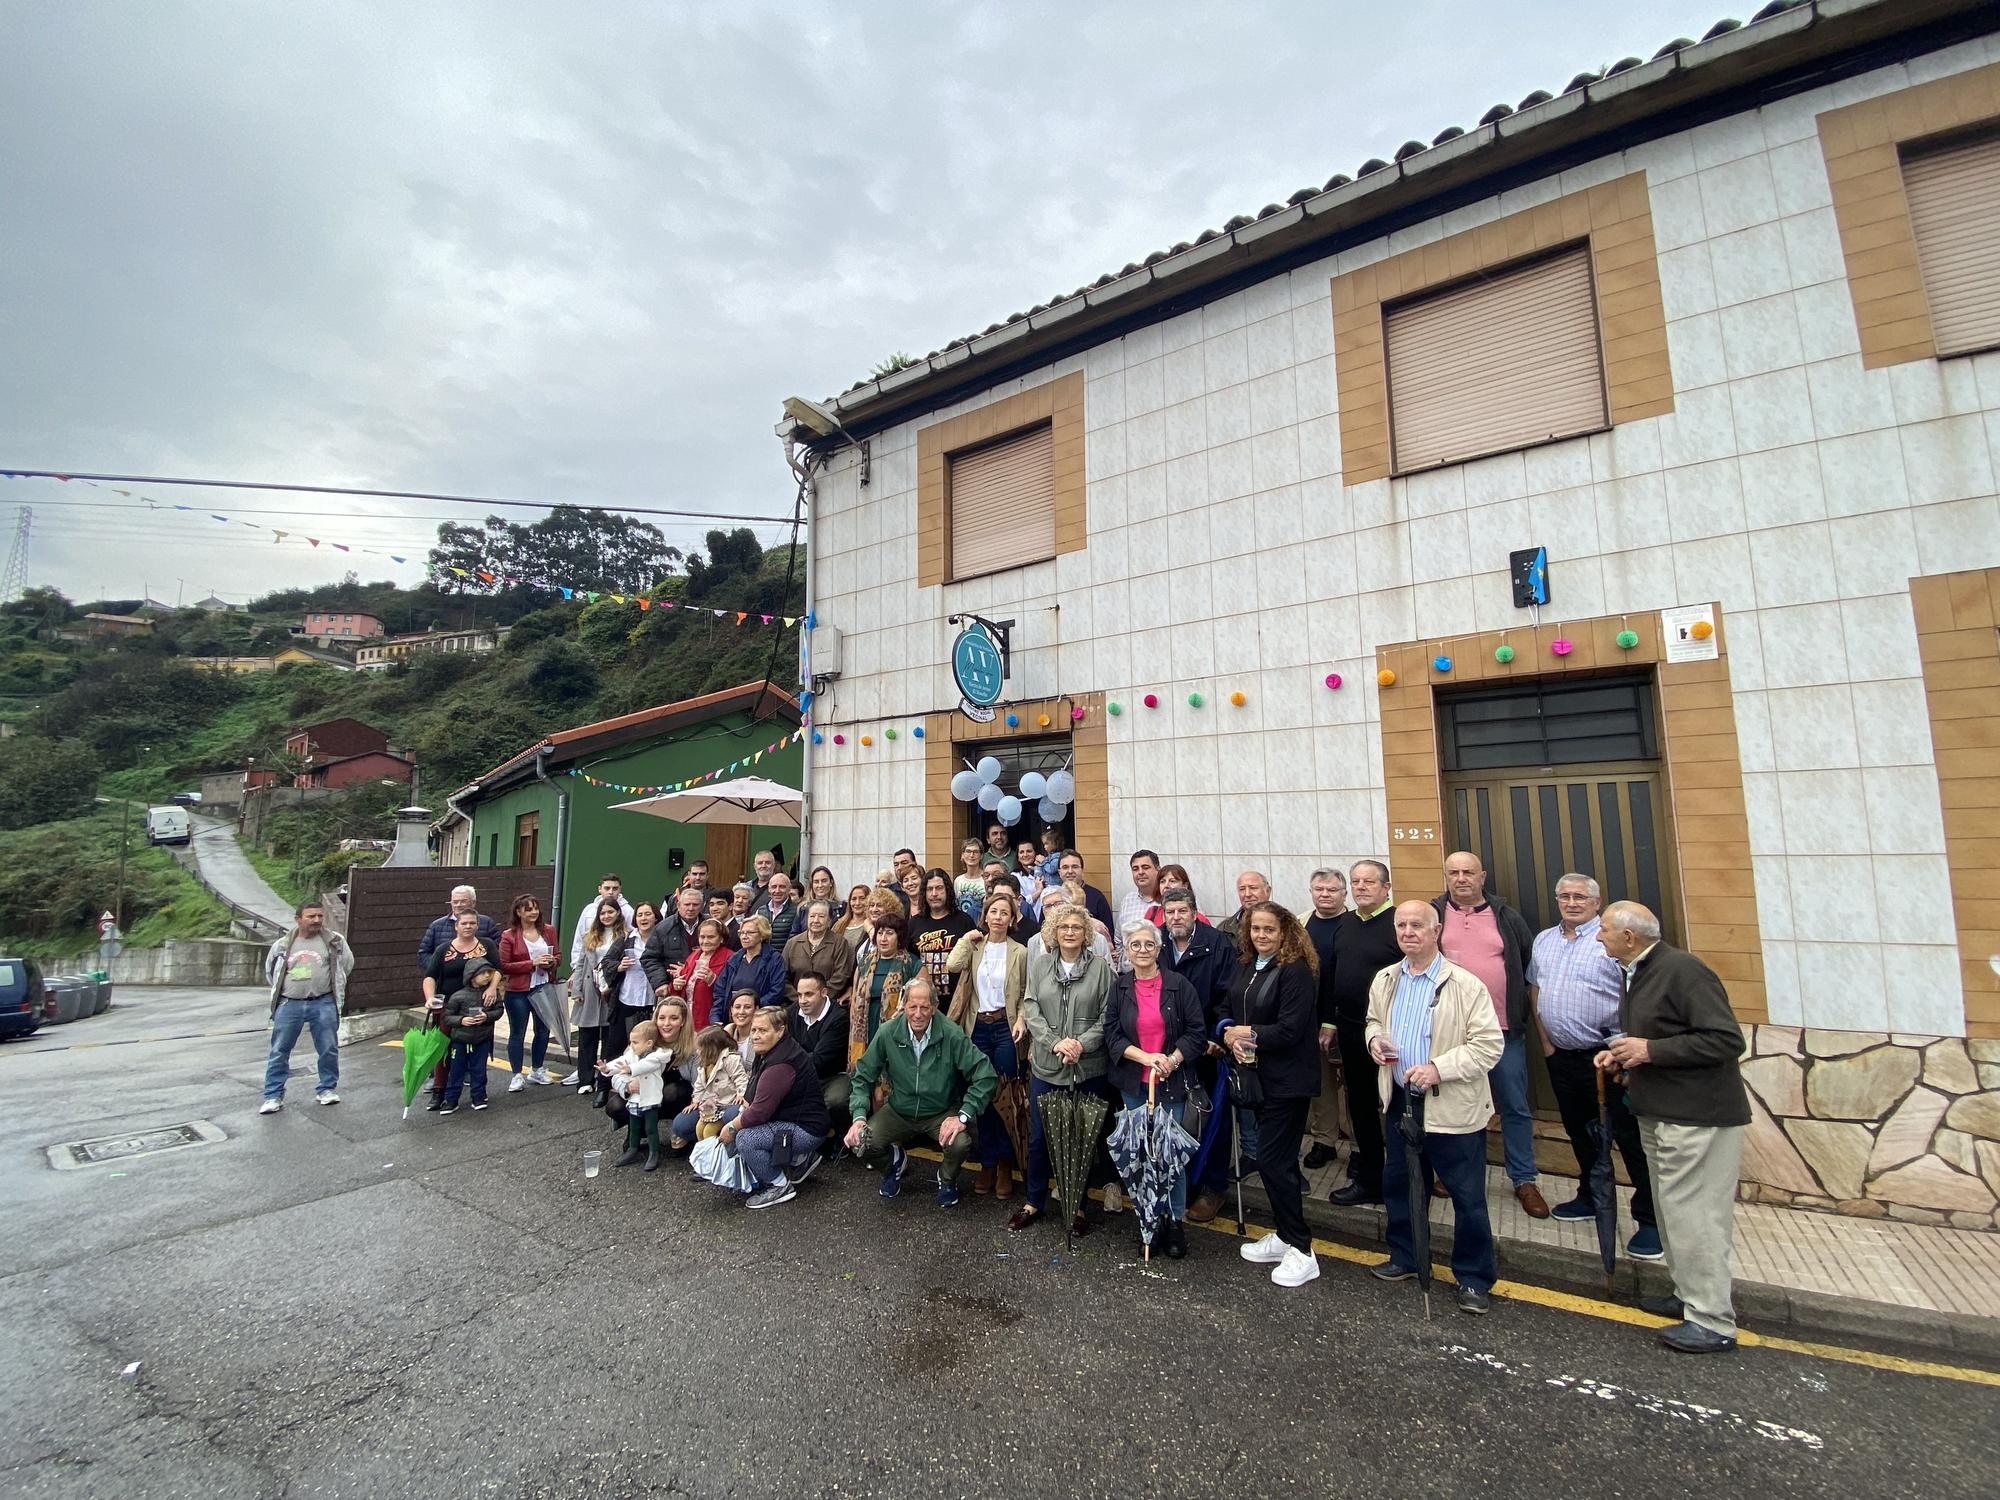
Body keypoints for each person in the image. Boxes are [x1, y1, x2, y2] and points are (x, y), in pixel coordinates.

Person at [1596, 902, 1751, 1354]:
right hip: (1661, 1110)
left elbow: (1724, 1039)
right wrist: (1623, 1053)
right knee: (1672, 1213)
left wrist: (1649, 1051)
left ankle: (1712, 1321)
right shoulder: (1634, 969)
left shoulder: (1683, 970)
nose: (1598, 936)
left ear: (1629, 936)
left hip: (1696, 1116)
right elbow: (1656, 1036)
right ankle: (1690, 1297)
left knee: (1696, 1217)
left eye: (1604, 929)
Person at [1366, 900, 1504, 1314]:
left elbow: (1488, 1046)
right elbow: (1373, 1022)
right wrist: (1374, 1042)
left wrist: (1438, 1068)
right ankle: (1406, 1257)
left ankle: (1474, 1278)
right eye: (1401, 925)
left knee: (1466, 1196)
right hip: (1400, 1103)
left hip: (1450, 1107)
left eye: (1417, 926)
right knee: (1402, 1186)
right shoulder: (1386, 979)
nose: (1408, 932)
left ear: (1436, 930)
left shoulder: (1465, 984)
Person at [1532, 875, 1660, 1259]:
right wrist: (1546, 1043)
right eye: (1564, 896)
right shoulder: (1544, 940)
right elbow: (1534, 988)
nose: (1571, 903)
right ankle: (1590, 1195)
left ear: (1596, 901)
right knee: (1579, 1131)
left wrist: (1626, 1051)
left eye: (1580, 897)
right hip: (1563, 1057)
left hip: (1608, 1058)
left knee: (1629, 1138)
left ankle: (1650, 1220)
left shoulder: (1612, 940)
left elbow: (1636, 994)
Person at [1433, 851, 1547, 1218]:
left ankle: (1524, 1179)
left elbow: (1529, 966)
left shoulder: (1507, 917)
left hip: (1502, 1030)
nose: (1461, 878)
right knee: (1454, 1105)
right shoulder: (1434, 915)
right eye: (1454, 872)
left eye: (1469, 872)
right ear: (1446, 876)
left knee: (1513, 1105)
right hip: (1451, 1033)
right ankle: (1455, 1175)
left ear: (1483, 876)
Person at [1222, 901, 1322, 1288]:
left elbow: (1292, 1029)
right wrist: (1227, 1028)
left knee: (1274, 1161)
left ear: (1286, 933)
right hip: (1257, 1076)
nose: (1261, 936)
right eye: (1255, 929)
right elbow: (1229, 1005)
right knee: (1270, 1160)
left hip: (1288, 1081)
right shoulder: (1248, 964)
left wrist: (1245, 1035)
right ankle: (1282, 1236)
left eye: (1269, 930)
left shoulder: (1295, 971)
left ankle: (1301, 1246)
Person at [843, 974, 997, 1207]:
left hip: (940, 1110)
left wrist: (963, 1115)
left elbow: (985, 1074)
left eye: (925, 1007)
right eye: (912, 1006)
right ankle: (892, 1165)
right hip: (899, 1109)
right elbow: (863, 1075)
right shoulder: (887, 1032)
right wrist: (858, 1117)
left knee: (960, 1142)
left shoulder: (951, 1033)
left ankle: (946, 1179)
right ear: (903, 1005)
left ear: (934, 1008)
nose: (918, 1013)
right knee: (862, 1141)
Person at [1104, 920, 1207, 1258]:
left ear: (1159, 948)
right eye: (1136, 945)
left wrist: (1171, 1060)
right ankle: (1149, 1221)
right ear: (1127, 951)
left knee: (1168, 1156)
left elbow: (1196, 1032)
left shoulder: (1179, 986)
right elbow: (1113, 1035)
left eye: (1149, 944)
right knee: (1141, 1157)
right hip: (1135, 1084)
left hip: (1171, 1082)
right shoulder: (1119, 988)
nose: (1143, 951)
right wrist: (1146, 1057)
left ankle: (1174, 1221)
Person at [1010, 904, 1114, 1236]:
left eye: (1077, 927)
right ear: (1054, 932)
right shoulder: (1040, 966)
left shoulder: (1101, 970)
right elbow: (1030, 1006)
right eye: (1064, 927)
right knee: (1041, 1138)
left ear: (1087, 933)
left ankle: (1077, 1205)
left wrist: (1080, 1044)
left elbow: (1107, 1017)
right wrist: (1055, 1043)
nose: (1070, 932)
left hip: (1087, 1069)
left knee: (1081, 1140)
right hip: (1047, 1066)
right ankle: (1034, 1201)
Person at [1158, 886, 1239, 1222]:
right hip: (1166, 1050)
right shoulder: (1158, 942)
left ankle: (1212, 1187)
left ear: (1194, 913)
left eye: (1182, 911)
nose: (1176, 918)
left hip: (1206, 1048)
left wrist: (1215, 1034)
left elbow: (1227, 994)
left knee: (1211, 1121)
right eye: (1170, 912)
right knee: (1175, 1119)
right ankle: (1182, 1184)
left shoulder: (1216, 944)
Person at [945, 889, 1029, 1197]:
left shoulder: (1019, 951)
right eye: (993, 912)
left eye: (1004, 913)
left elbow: (1024, 995)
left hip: (1005, 1029)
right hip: (977, 1028)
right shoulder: (975, 945)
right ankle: (988, 1162)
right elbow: (953, 967)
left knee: (1004, 1096)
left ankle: (1006, 1162)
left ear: (1011, 918)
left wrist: (1021, 1019)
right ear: (986, 915)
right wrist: (967, 939)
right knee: (981, 1094)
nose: (998, 917)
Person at [1327, 860, 1401, 1206]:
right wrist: (1330, 1021)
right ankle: (1371, 1178)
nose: (1361, 887)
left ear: (1386, 887)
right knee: (1361, 1106)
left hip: (1393, 1033)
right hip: (1352, 1027)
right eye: (1355, 882)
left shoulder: (1398, 923)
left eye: (1369, 882)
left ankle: (1408, 1178)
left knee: (1399, 1106)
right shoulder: (1346, 922)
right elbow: (1333, 973)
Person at [721, 1005, 832, 1209]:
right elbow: (753, 1094)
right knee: (730, 1113)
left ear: (780, 1030)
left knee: (745, 1139)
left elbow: (759, 1113)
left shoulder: (781, 1064)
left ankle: (780, 1185)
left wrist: (730, 1129)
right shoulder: (772, 1049)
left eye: (763, 1030)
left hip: (806, 1129)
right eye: (754, 1030)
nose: (755, 1035)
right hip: (790, 1118)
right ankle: (798, 1160)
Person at [259, 900, 354, 1114]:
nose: (317, 920)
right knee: (279, 1050)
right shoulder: (283, 944)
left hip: (323, 1002)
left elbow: (346, 965)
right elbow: (270, 972)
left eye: (320, 916)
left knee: (328, 1049)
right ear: (298, 919)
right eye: (311, 916)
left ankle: (327, 1089)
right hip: (289, 1004)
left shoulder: (334, 941)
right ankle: (273, 1095)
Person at [422, 910, 501, 1109]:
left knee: (478, 1049)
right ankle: (440, 1092)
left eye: (472, 923)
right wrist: (430, 998)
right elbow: (430, 975)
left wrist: (492, 988)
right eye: (464, 923)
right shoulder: (443, 949)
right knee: (443, 1049)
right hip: (449, 1004)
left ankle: (478, 1093)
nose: (468, 926)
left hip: (479, 1004)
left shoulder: (487, 945)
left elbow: (498, 969)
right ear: (456, 926)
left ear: (477, 925)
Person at [1303, 867, 1350, 1171]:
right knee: (1321, 1085)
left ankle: (1360, 1147)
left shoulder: (1354, 924)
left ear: (1344, 893)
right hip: (1311, 1017)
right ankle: (1324, 1141)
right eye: (1319, 889)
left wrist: (1332, 1021)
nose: (1325, 895)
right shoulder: (1302, 922)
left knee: (1354, 1086)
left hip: (1347, 1017)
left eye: (1332, 890)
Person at [497, 893, 559, 1092]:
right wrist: (532, 963)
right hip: (518, 990)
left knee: (543, 1030)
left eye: (535, 908)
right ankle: (516, 1074)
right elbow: (504, 965)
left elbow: (558, 955)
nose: (533, 912)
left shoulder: (548, 930)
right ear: (518, 912)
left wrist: (553, 962)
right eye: (528, 909)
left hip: (544, 986)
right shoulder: (509, 935)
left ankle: (537, 1069)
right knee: (518, 1031)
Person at [848, 910, 922, 1065]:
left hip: (897, 1027)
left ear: (899, 937)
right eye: (880, 933)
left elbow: (923, 1001)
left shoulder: (911, 964)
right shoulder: (864, 963)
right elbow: (854, 1001)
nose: (883, 938)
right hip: (865, 1026)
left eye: (889, 933)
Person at [789, 972, 852, 1151]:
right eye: (799, 995)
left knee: (835, 1100)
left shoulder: (838, 1018)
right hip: (802, 1073)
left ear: (824, 992)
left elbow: (819, 1059)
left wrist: (791, 1064)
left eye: (809, 994)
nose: (802, 1000)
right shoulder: (792, 1012)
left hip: (832, 1075)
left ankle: (841, 1134)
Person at [573, 899, 630, 1097]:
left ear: (618, 913)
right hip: (590, 987)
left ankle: (605, 1079)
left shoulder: (626, 935)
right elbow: (581, 964)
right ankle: (585, 1079)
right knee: (587, 1035)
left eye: (610, 912)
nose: (606, 916)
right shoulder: (591, 935)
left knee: (609, 1035)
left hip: (613, 988)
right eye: (602, 913)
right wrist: (577, 990)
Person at [439, 955, 505, 1115]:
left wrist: (487, 1017)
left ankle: (479, 1096)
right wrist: (462, 1020)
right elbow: (447, 1016)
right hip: (460, 1040)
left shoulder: (492, 994)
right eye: (483, 973)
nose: (487, 976)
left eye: (489, 972)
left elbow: (499, 1010)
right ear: (471, 976)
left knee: (479, 1069)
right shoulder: (458, 996)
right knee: (456, 1070)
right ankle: (451, 1099)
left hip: (482, 1039)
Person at [601, 1020, 671, 1170]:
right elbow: (621, 1062)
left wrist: (629, 1069)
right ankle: (633, 1149)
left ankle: (654, 1152)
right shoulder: (632, 1055)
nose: (631, 1046)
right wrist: (607, 1068)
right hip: (635, 1098)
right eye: (631, 1041)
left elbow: (644, 1066)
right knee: (634, 1127)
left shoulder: (658, 1056)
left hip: (651, 1098)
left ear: (648, 1043)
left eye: (635, 1042)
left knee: (651, 1127)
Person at [669, 1025, 750, 1148]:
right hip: (714, 1105)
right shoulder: (704, 1064)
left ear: (711, 1048)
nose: (698, 1051)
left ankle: (718, 1152)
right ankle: (705, 1154)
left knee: (709, 1131)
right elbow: (699, 1086)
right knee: (699, 1128)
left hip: (729, 1104)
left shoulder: (730, 1060)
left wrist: (741, 1094)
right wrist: (695, 1101)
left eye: (700, 1048)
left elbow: (741, 1079)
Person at [909, 869, 975, 1011]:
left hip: (957, 1002)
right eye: (929, 889)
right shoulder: (914, 923)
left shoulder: (964, 921)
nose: (934, 894)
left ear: (948, 890)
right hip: (923, 1004)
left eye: (939, 888)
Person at [714, 914, 785, 1025]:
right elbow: (720, 991)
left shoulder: (774, 959)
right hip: (732, 1019)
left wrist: (751, 1008)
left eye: (750, 933)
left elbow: (776, 992)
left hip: (761, 1018)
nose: (744, 936)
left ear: (762, 935)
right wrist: (715, 1018)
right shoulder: (733, 960)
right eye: (742, 933)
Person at [666, 917, 733, 1032]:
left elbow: (731, 990)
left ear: (721, 939)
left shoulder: (730, 958)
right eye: (702, 937)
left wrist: (713, 981)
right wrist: (676, 986)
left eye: (711, 937)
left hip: (709, 1018)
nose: (705, 941)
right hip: (687, 1018)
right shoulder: (694, 956)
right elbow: (682, 986)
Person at [783, 899, 855, 1002]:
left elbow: (841, 975)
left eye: (821, 916)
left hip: (828, 1003)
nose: (816, 920)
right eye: (812, 916)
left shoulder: (839, 943)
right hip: (796, 1004)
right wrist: (799, 998)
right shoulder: (792, 943)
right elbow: (783, 977)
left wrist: (820, 998)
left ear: (829, 920)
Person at [567, 874, 634, 983]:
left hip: (616, 971)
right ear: (600, 889)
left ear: (620, 889)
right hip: (590, 968)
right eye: (607, 888)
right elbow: (579, 940)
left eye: (615, 888)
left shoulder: (628, 911)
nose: (611, 892)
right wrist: (575, 969)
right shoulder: (589, 910)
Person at [417, 884, 501, 970]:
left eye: (463, 901)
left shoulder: (487, 923)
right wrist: (438, 968)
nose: (458, 905)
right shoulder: (437, 925)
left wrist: (481, 970)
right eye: (455, 902)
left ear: (473, 903)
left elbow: (498, 950)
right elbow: (424, 953)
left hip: (478, 979)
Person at [643, 887, 707, 996]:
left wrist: (689, 969)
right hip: (672, 989)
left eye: (695, 905)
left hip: (703, 989)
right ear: (678, 906)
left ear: (702, 906)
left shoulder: (710, 926)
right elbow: (649, 958)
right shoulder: (663, 928)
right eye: (687, 904)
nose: (691, 908)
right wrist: (660, 983)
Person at [1115, 848, 1162, 949]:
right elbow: (1119, 939)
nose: (1140, 872)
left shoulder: (1172, 900)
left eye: (1145, 867)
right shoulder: (1128, 900)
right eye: (1135, 869)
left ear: (1158, 870)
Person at [1216, 871, 1271, 942]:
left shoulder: (1284, 923)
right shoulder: (1224, 928)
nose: (1247, 894)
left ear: (1268, 891)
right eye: (1242, 889)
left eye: (1253, 888)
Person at [756, 871, 800, 947]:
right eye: (774, 887)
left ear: (789, 889)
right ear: (769, 889)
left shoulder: (797, 911)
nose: (777, 891)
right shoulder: (760, 911)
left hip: (785, 957)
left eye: (782, 887)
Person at [835, 883, 877, 950]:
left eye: (862, 898)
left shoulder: (872, 925)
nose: (857, 903)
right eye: (854, 899)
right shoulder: (839, 924)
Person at [724, 988, 758, 1069]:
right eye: (737, 1007)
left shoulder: (761, 1038)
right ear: (731, 1010)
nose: (741, 1012)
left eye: (747, 1007)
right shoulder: (724, 1038)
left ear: (756, 1010)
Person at [954, 838, 988, 918]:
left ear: (981, 855)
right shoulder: (958, 881)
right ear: (963, 855)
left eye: (975, 852)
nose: (971, 855)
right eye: (968, 851)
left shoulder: (987, 879)